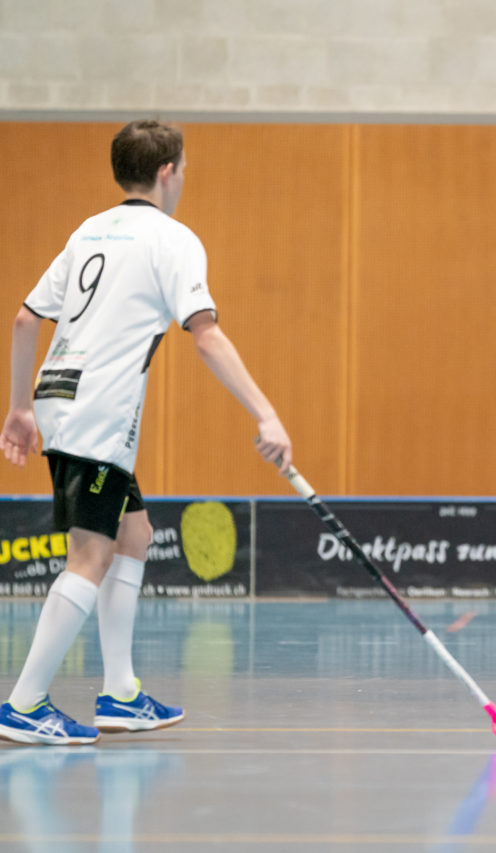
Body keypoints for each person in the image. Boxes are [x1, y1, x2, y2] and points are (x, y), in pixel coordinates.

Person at [0, 119, 292, 745]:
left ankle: (122, 694)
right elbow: (205, 335)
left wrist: (20, 407)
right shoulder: (173, 239)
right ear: (167, 172)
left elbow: (26, 319)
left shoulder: (88, 230)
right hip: (99, 414)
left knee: (134, 533)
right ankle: (23, 704)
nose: (183, 178)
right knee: (90, 554)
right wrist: (266, 413)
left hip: (59, 398)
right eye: (182, 169)